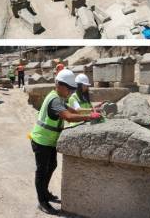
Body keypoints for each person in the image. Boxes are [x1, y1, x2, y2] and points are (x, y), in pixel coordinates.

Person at [30, 69, 101, 215]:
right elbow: (68, 116)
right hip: (41, 140)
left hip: (49, 141)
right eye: (68, 88)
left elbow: (74, 111)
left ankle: (45, 192)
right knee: (42, 171)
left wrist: (91, 113)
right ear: (58, 84)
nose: (70, 92)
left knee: (52, 165)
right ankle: (42, 201)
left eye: (71, 89)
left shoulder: (60, 97)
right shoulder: (55, 99)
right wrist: (89, 118)